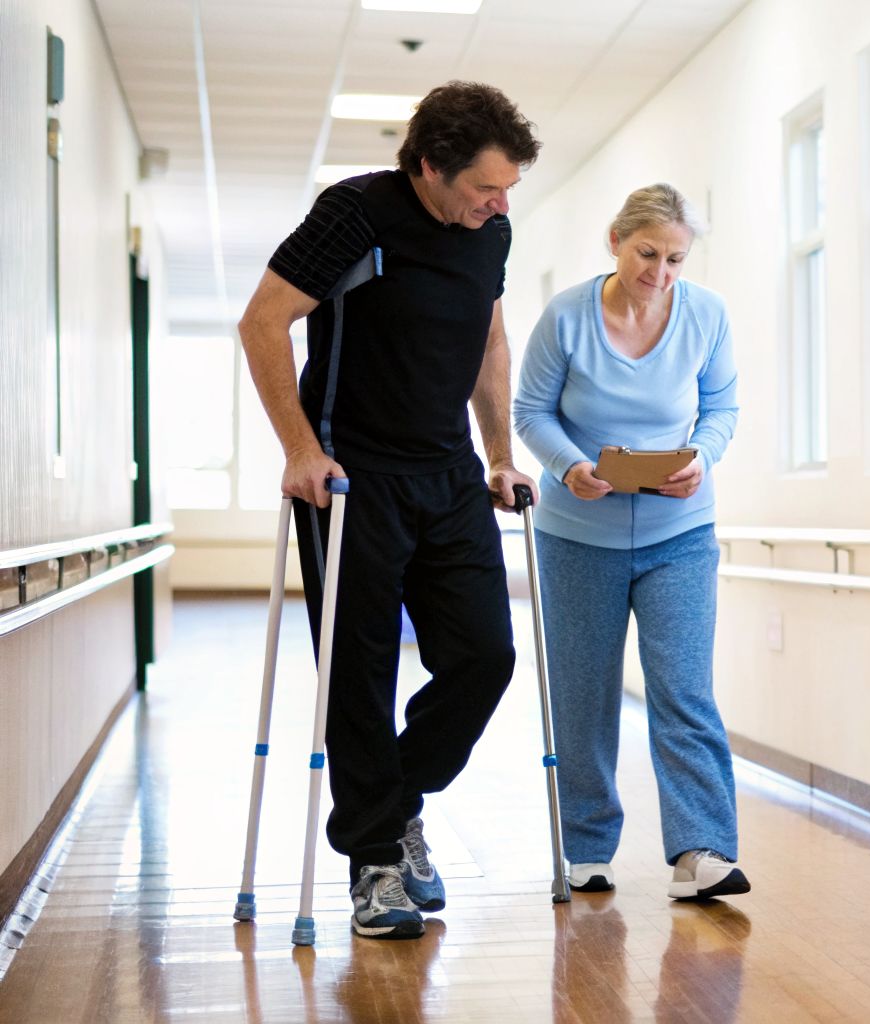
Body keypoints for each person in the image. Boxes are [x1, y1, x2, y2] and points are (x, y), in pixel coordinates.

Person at [238, 81, 541, 940]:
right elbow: (264, 322)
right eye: (487, 185)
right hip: (351, 475)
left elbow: (488, 340)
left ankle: (398, 800)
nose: (501, 201)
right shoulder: (354, 212)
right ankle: (375, 862)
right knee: (361, 676)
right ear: (430, 167)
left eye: (509, 187)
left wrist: (500, 458)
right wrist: (301, 450)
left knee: (485, 655)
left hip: (447, 475)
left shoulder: (493, 232)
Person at [512, 183, 748, 900]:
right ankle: (587, 847)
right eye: (648, 253)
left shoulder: (706, 314)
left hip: (681, 530)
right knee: (583, 693)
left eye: (676, 258)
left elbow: (721, 407)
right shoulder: (567, 318)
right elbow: (530, 411)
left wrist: (702, 457)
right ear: (616, 239)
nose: (661, 272)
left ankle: (702, 850)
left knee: (683, 688)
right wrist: (570, 466)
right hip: (579, 531)